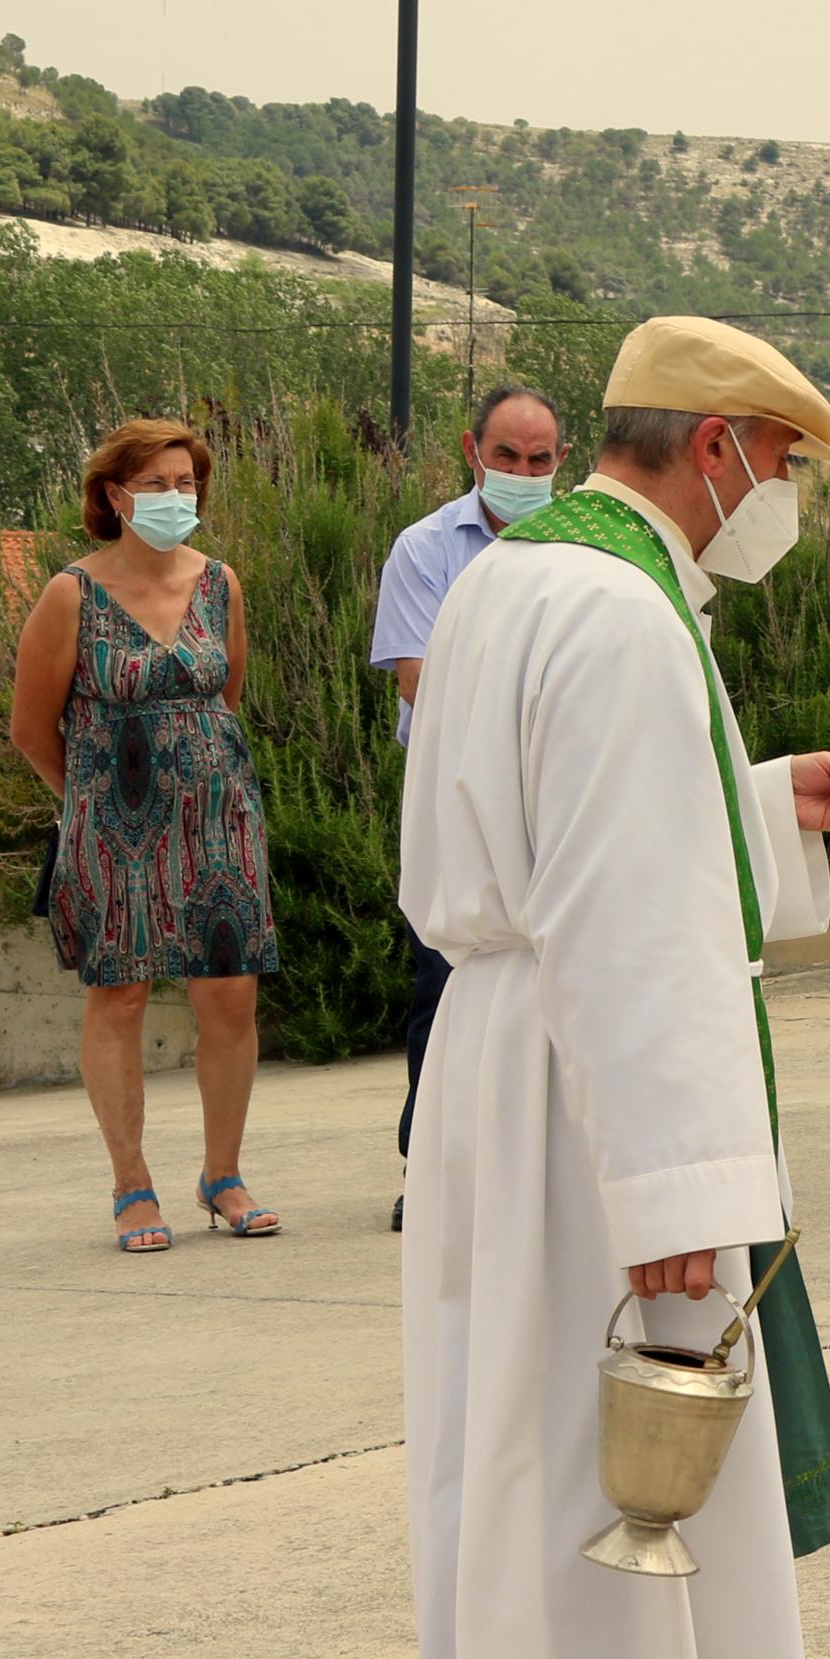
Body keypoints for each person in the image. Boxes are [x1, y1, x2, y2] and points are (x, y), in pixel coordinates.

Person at [397, 314, 830, 1659]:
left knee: (499, 1444)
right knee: (601, 1453)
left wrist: (760, 803)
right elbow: (619, 911)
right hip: (593, 1082)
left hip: (509, 1051)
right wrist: (676, 1185)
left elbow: (548, 841)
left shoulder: (515, 573)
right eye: (783, 463)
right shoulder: (620, 614)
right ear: (715, 446)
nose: (782, 495)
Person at [8, 420, 282, 1254]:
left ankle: (222, 1175)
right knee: (120, 994)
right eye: (157, 483)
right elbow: (30, 727)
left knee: (230, 992)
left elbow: (224, 697)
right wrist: (90, 803)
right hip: (112, 826)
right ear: (115, 495)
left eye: (186, 482)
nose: (176, 496)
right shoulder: (71, 593)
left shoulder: (220, 583)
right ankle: (131, 1184)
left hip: (219, 817)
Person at [369, 385, 566, 1230]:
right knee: (443, 984)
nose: (523, 471)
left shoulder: (582, 548)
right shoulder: (424, 550)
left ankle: (536, 1169)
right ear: (470, 450)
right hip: (456, 802)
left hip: (554, 797)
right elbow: (422, 680)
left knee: (555, 983)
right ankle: (431, 1168)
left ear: (562, 459)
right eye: (506, 456)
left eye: (539, 458)